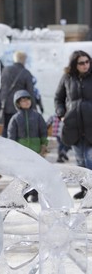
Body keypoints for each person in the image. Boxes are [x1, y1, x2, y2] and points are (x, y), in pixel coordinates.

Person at [55, 50, 92, 200]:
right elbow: (59, 98)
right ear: (74, 64)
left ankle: (90, 191)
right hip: (73, 126)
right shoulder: (67, 78)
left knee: (89, 158)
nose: (85, 65)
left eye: (87, 62)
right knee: (80, 160)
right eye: (81, 63)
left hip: (91, 125)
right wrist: (62, 114)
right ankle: (84, 190)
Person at [8, 90, 48, 202]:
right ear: (18, 103)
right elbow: (11, 136)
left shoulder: (37, 116)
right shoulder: (15, 118)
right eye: (23, 100)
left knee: (36, 173)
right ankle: (23, 194)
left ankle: (35, 193)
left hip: (36, 150)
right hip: (21, 151)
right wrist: (12, 150)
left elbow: (43, 131)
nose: (26, 102)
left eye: (28, 99)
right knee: (23, 174)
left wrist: (44, 145)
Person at [0, 51, 35, 138]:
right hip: (20, 106)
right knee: (20, 132)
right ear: (24, 60)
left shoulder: (5, 70)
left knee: (7, 129)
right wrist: (33, 108)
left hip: (6, 106)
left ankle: (5, 149)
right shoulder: (26, 73)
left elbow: (0, 87)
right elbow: (30, 92)